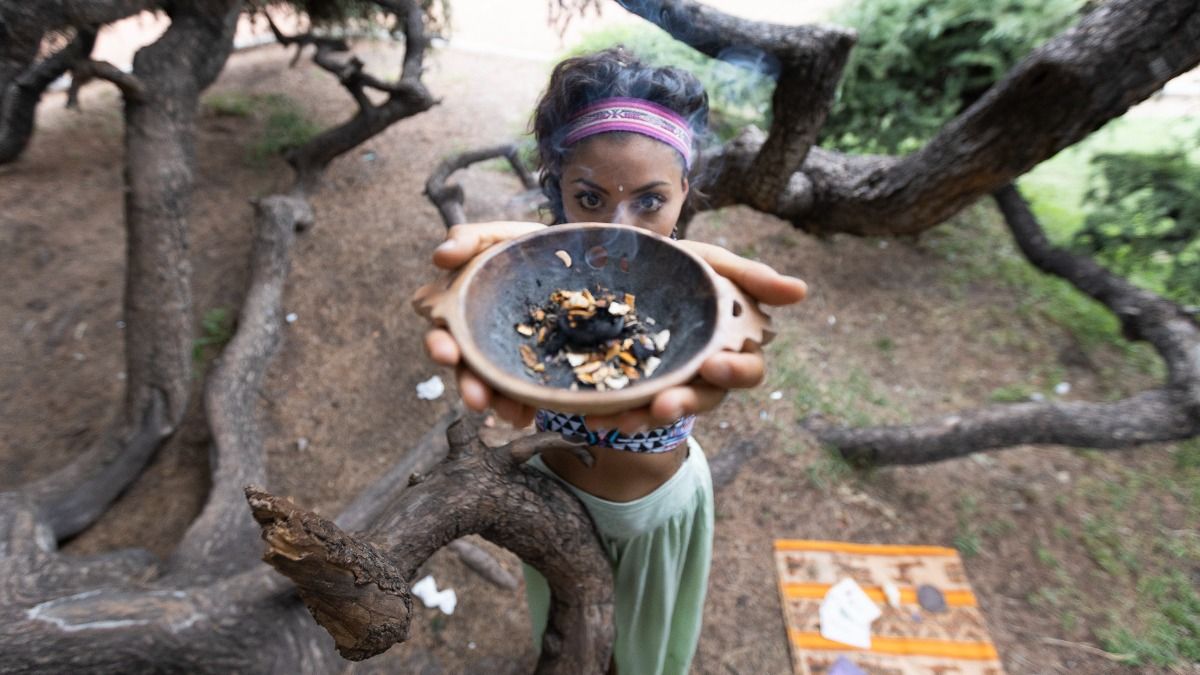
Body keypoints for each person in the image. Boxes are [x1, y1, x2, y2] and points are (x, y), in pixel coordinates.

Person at [420, 48, 807, 674]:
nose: (619, 227)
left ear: (686, 187)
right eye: (592, 198)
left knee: (643, 656)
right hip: (550, 505)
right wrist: (479, 295)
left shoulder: (689, 290)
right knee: (568, 643)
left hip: (654, 517)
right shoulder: (540, 274)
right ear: (558, 184)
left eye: (650, 201)